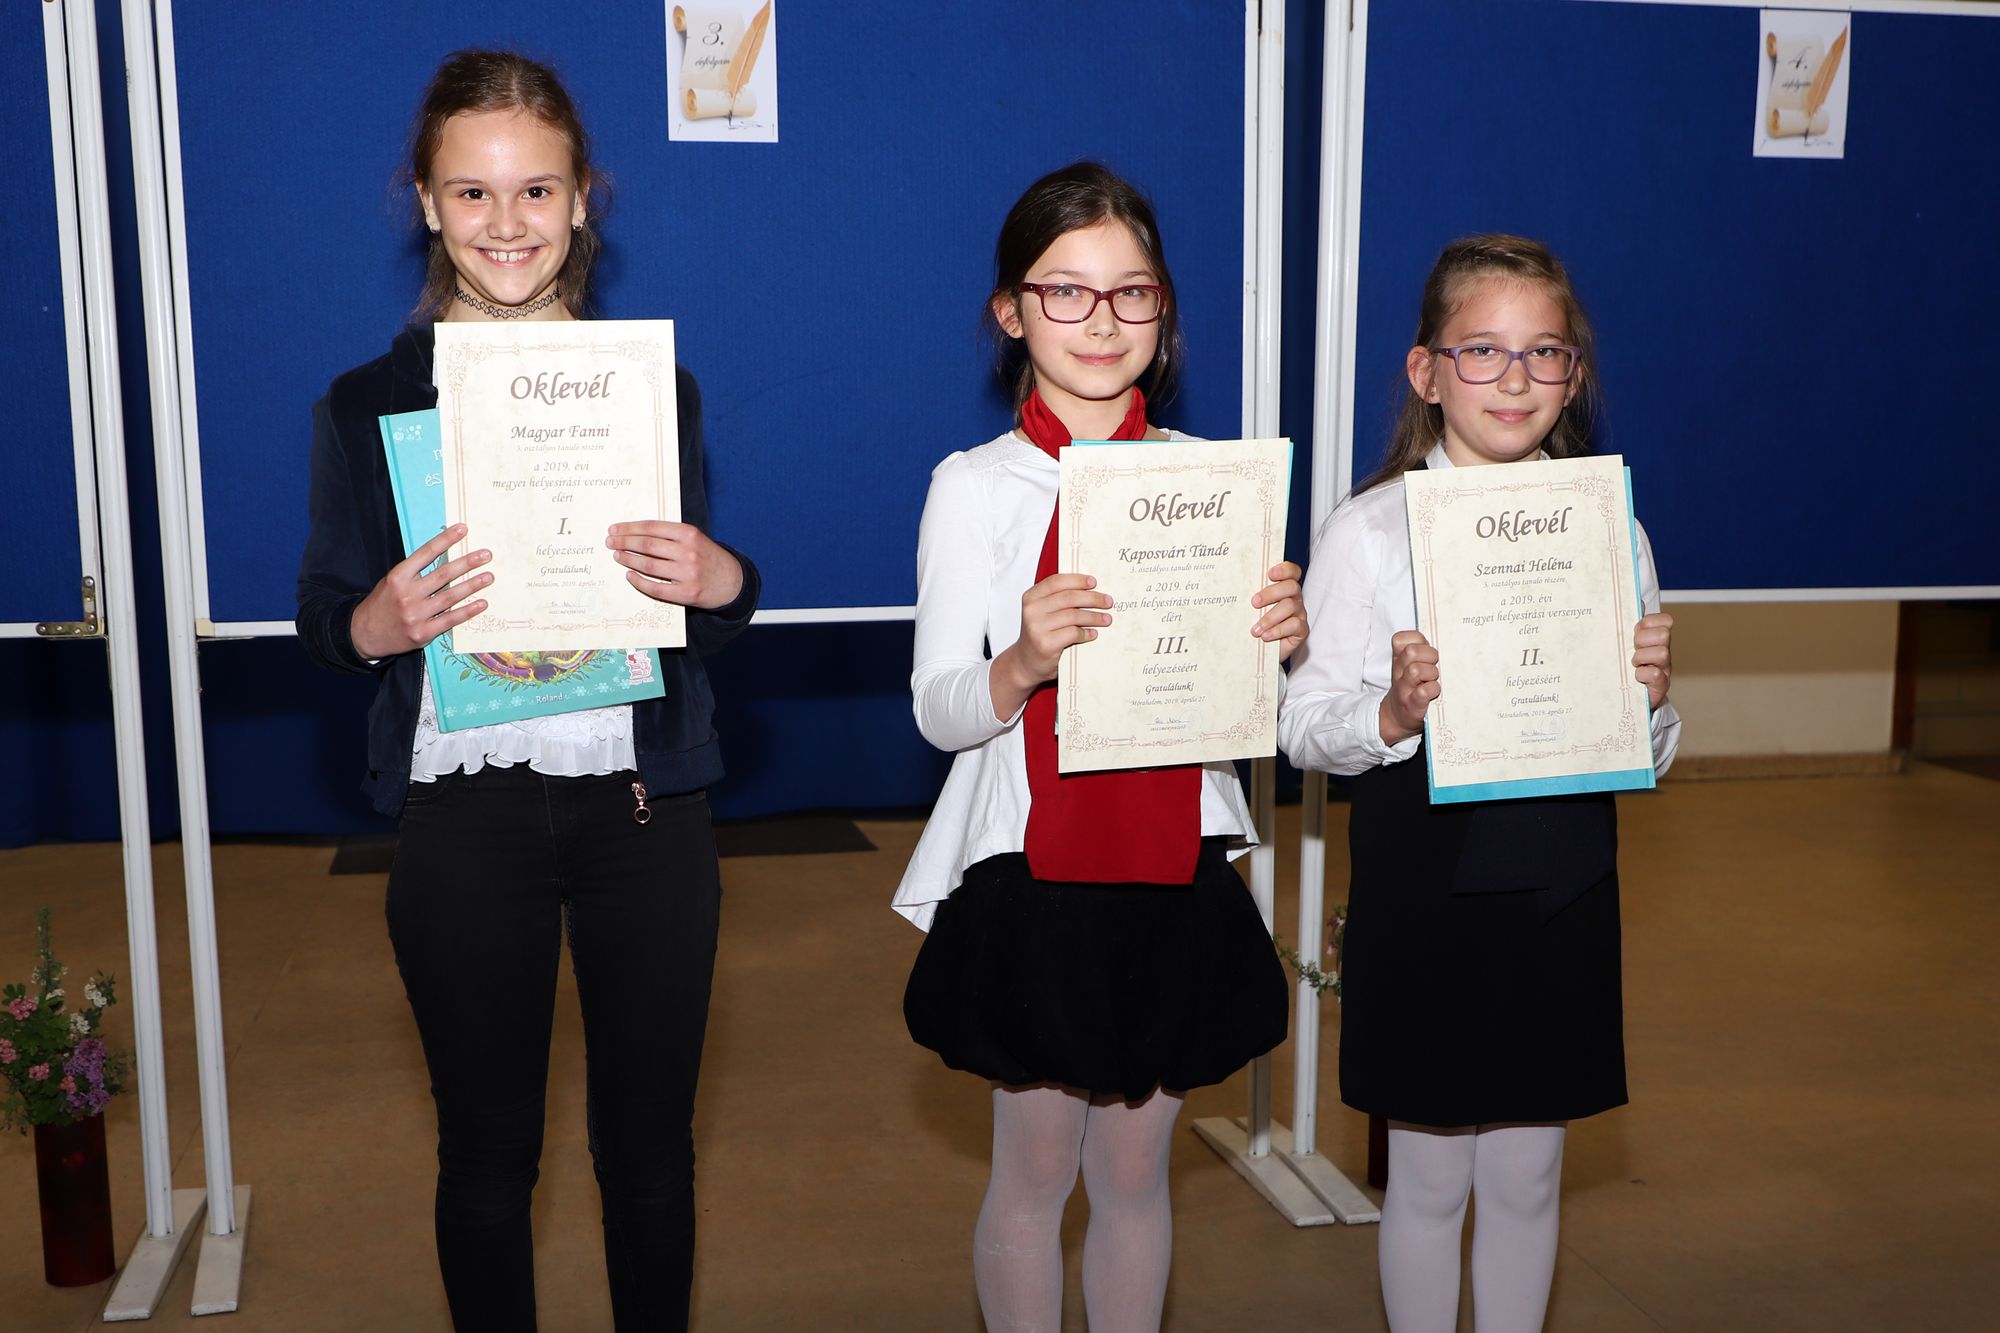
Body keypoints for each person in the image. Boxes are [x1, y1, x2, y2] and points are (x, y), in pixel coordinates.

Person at [294, 49, 759, 1332]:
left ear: (581, 199)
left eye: (536, 190)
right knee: (488, 1159)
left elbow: (692, 613)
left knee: (649, 1155)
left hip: (643, 807)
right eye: (473, 192)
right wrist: (374, 623)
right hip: (462, 809)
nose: (507, 223)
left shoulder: (649, 389)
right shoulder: (364, 405)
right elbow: (325, 617)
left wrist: (724, 579)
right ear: (427, 204)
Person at [893, 161, 1302, 1332]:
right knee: (1033, 1172)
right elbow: (939, 709)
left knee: (1134, 1172)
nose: (1101, 320)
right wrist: (1022, 659)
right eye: (1064, 291)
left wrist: (1279, 645)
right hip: (1034, 869)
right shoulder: (974, 488)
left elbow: (1251, 716)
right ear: (1009, 312)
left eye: (1131, 292)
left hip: (1174, 862)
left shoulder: (1209, 479)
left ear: (1162, 308)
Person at [1277, 234, 1680, 1332]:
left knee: (1529, 1173)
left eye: (1544, 352)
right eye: (1482, 351)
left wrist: (1647, 703)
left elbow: (1647, 749)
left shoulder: (1608, 525)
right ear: (1426, 372)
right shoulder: (1370, 530)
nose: (1514, 379)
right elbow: (1301, 724)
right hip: (1425, 883)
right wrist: (1393, 714)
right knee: (1427, 1174)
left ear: (1574, 374)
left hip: (1561, 883)